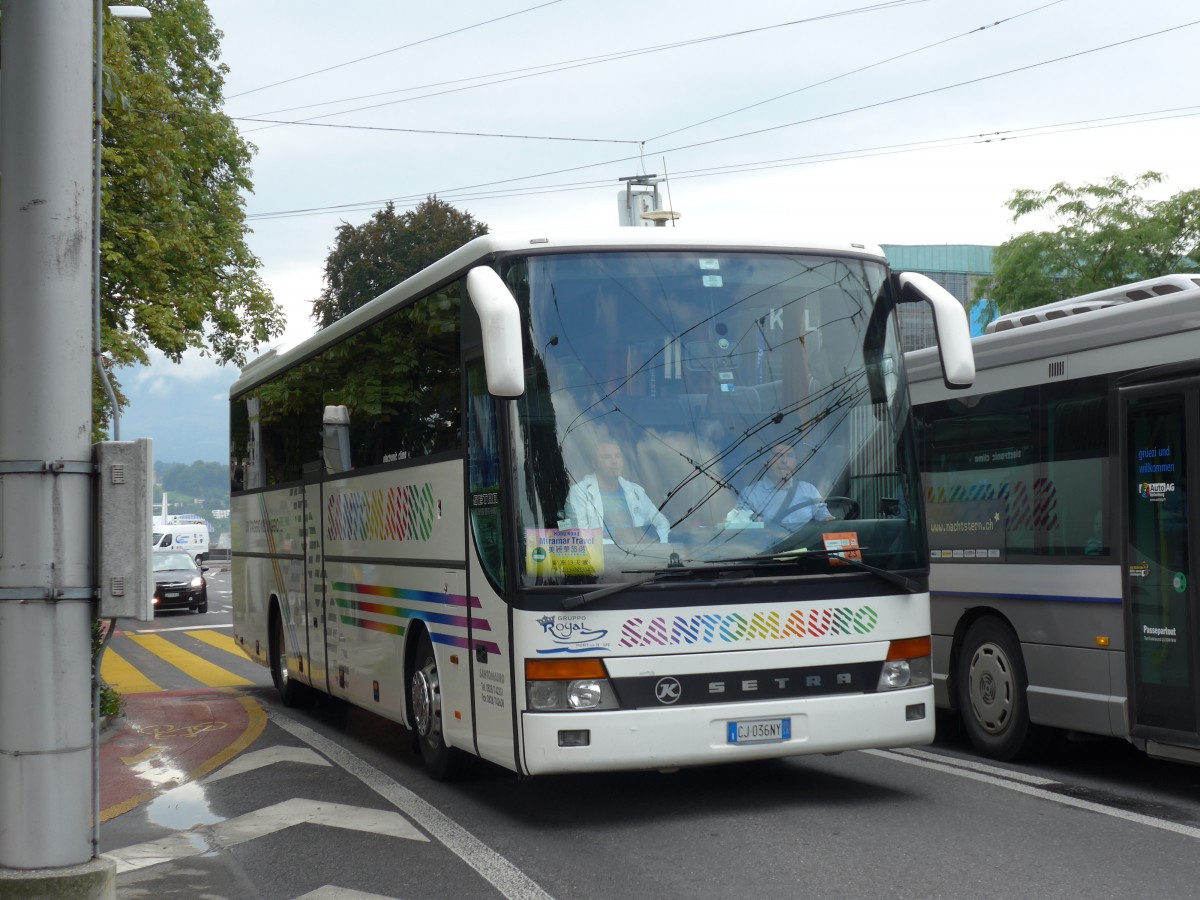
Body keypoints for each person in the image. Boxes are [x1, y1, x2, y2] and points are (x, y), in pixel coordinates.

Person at [565, 440, 670, 543]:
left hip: (641, 558)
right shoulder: (579, 493)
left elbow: (661, 522)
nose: (614, 461)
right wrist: (623, 542)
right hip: (605, 559)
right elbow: (580, 537)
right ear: (594, 464)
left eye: (618, 456)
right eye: (607, 457)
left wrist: (661, 545)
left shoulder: (635, 491)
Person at [732, 443, 834, 527]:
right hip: (768, 550)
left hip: (805, 550)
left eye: (789, 456)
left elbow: (826, 521)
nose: (784, 461)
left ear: (795, 461)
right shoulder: (750, 494)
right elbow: (741, 531)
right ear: (765, 462)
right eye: (778, 455)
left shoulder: (809, 490)